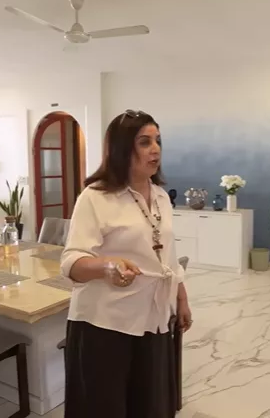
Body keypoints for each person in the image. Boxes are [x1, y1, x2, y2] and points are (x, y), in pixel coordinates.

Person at [60, 109, 192, 418]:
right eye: (144, 142)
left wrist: (182, 298)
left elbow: (168, 256)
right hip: (105, 324)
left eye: (157, 141)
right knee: (104, 408)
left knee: (149, 405)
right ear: (121, 149)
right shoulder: (95, 196)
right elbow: (70, 262)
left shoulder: (161, 197)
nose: (155, 149)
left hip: (154, 319)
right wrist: (106, 266)